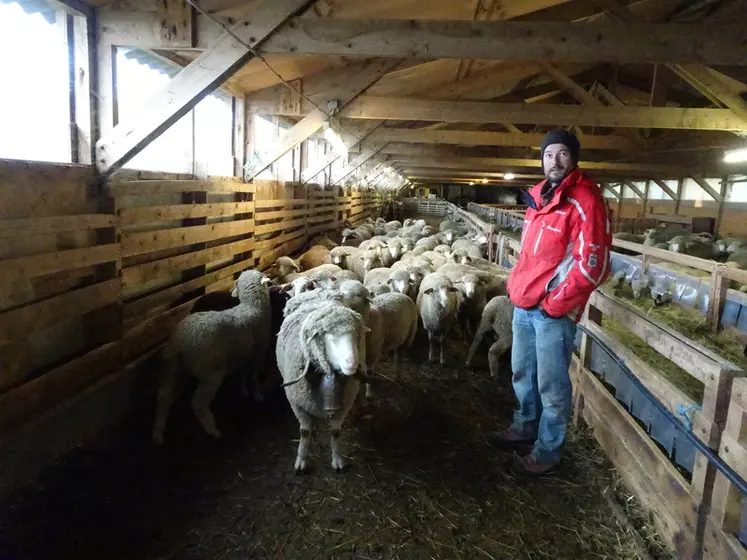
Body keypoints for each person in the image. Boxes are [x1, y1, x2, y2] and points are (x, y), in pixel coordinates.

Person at [490, 129, 613, 476]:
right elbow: (530, 253)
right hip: (524, 303)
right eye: (548, 154)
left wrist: (555, 303)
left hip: (551, 311)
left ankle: (548, 451)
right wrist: (517, 286)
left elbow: (595, 264)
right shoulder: (539, 198)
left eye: (562, 154)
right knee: (521, 372)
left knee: (552, 383)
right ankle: (525, 427)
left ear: (573, 158)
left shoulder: (586, 200)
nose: (554, 161)